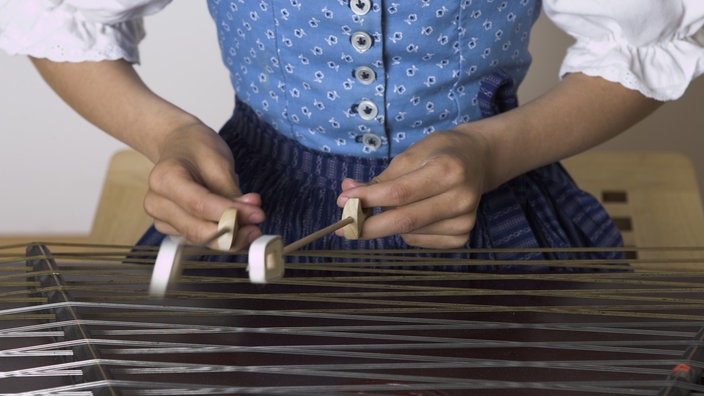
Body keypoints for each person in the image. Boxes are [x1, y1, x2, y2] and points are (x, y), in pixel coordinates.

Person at [1, 1, 703, 270]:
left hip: (491, 203)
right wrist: (168, 135)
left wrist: (492, 152)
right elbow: (60, 16)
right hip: (251, 209)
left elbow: (649, 43)